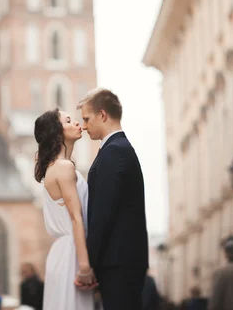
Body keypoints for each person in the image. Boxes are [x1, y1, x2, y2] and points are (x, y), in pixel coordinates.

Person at [77, 88, 149, 310]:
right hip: (122, 261)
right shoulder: (117, 149)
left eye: (87, 119)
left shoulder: (114, 152)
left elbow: (102, 214)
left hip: (118, 262)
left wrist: (89, 264)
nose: (84, 126)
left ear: (103, 115)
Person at [34, 109, 96, 310]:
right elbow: (76, 218)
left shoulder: (57, 167)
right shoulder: (63, 167)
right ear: (56, 131)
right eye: (68, 120)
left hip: (65, 252)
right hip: (72, 255)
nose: (77, 123)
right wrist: (85, 266)